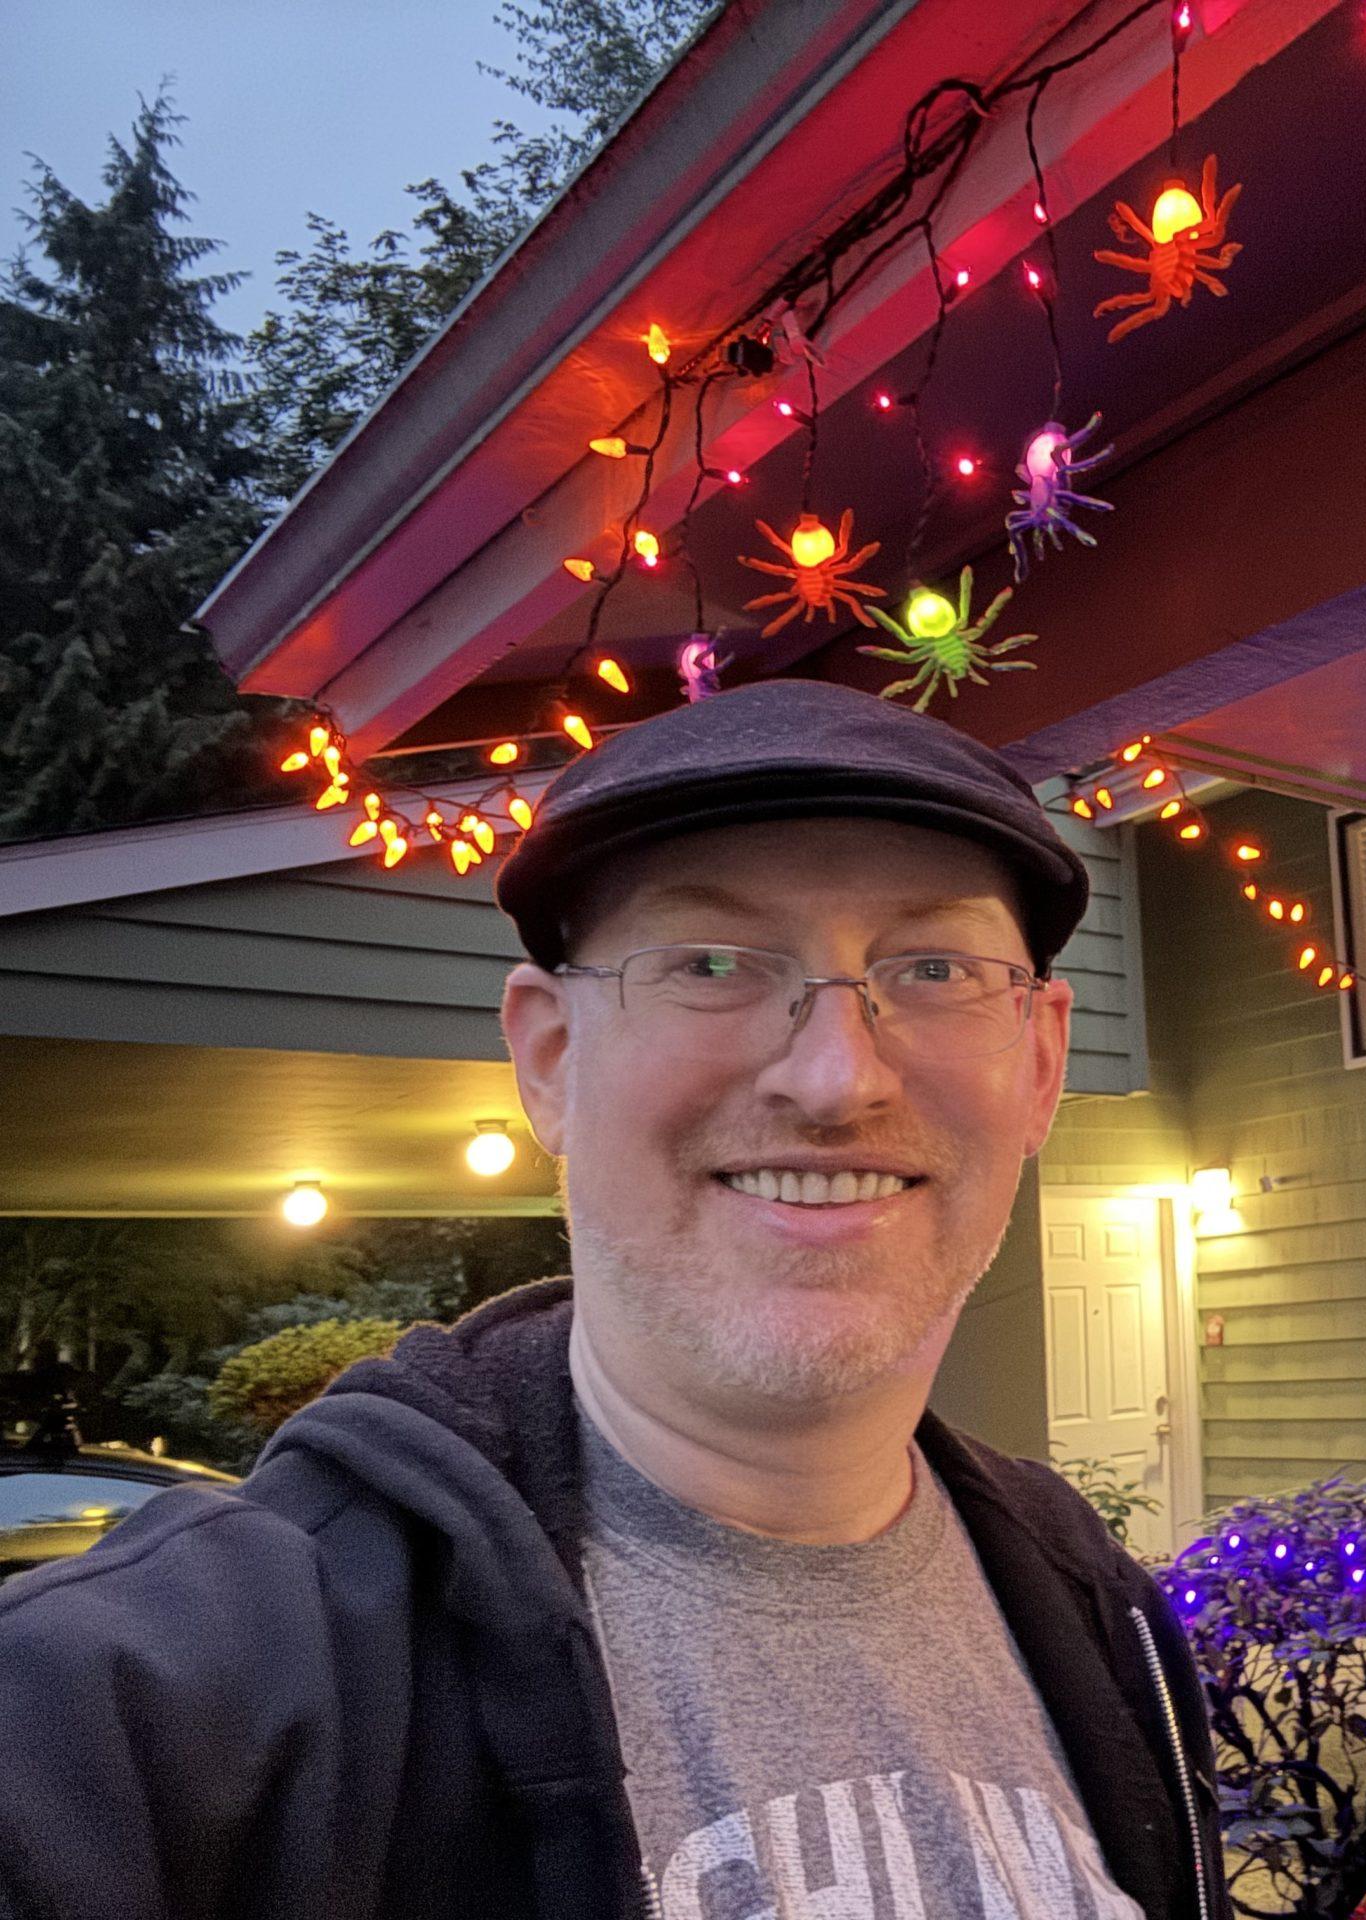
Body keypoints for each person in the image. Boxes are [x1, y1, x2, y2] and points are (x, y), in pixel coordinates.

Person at [0, 681, 1226, 1920]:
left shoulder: (1096, 1606)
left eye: (933, 966)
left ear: (1042, 1064)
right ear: (550, 1060)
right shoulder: (154, 1705)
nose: (836, 1077)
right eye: (709, 961)